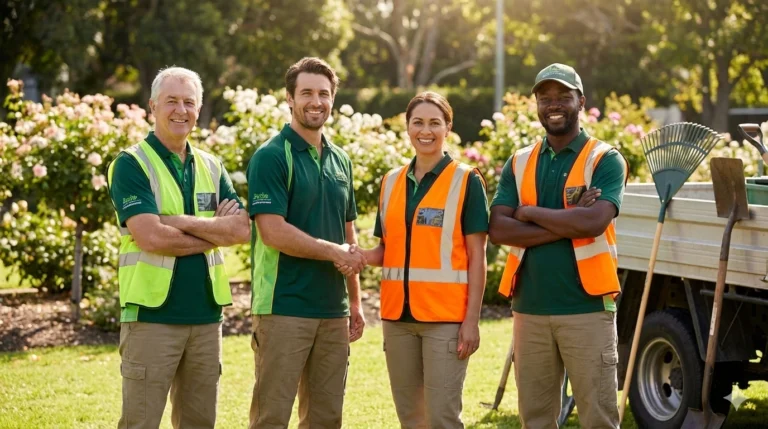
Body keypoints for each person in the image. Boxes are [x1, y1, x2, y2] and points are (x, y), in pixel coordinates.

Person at [107, 66, 250, 429]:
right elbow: (151, 237)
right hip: (152, 318)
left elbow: (240, 230)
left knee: (200, 423)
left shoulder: (212, 165)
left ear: (199, 109)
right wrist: (213, 231)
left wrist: (175, 220)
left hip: (205, 318)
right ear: (152, 106)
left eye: (189, 102)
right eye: (171, 101)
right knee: (141, 423)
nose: (180, 110)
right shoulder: (131, 164)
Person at [488, 63, 628, 429]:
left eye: (563, 97)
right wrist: (567, 221)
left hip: (587, 310)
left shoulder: (605, 159)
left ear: (580, 101)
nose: (554, 105)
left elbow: (594, 221)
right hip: (530, 310)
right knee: (535, 420)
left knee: (598, 418)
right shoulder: (519, 162)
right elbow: (499, 228)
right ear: (536, 105)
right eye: (545, 98)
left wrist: (529, 212)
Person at [355, 91, 489, 429]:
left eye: (434, 122)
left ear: (448, 128)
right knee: (411, 418)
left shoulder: (466, 181)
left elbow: (477, 256)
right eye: (417, 122)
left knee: (442, 417)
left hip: (445, 320)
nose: (425, 130)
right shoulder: (390, 183)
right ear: (407, 128)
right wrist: (359, 257)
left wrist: (471, 321)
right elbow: (390, 250)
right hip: (397, 319)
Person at [246, 57, 366, 429]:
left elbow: (349, 234)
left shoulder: (341, 160)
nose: (316, 101)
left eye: (324, 94)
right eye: (307, 93)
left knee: (326, 418)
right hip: (283, 307)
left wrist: (356, 303)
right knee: (272, 417)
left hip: (333, 310)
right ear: (290, 98)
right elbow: (273, 232)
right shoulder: (271, 157)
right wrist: (332, 252)